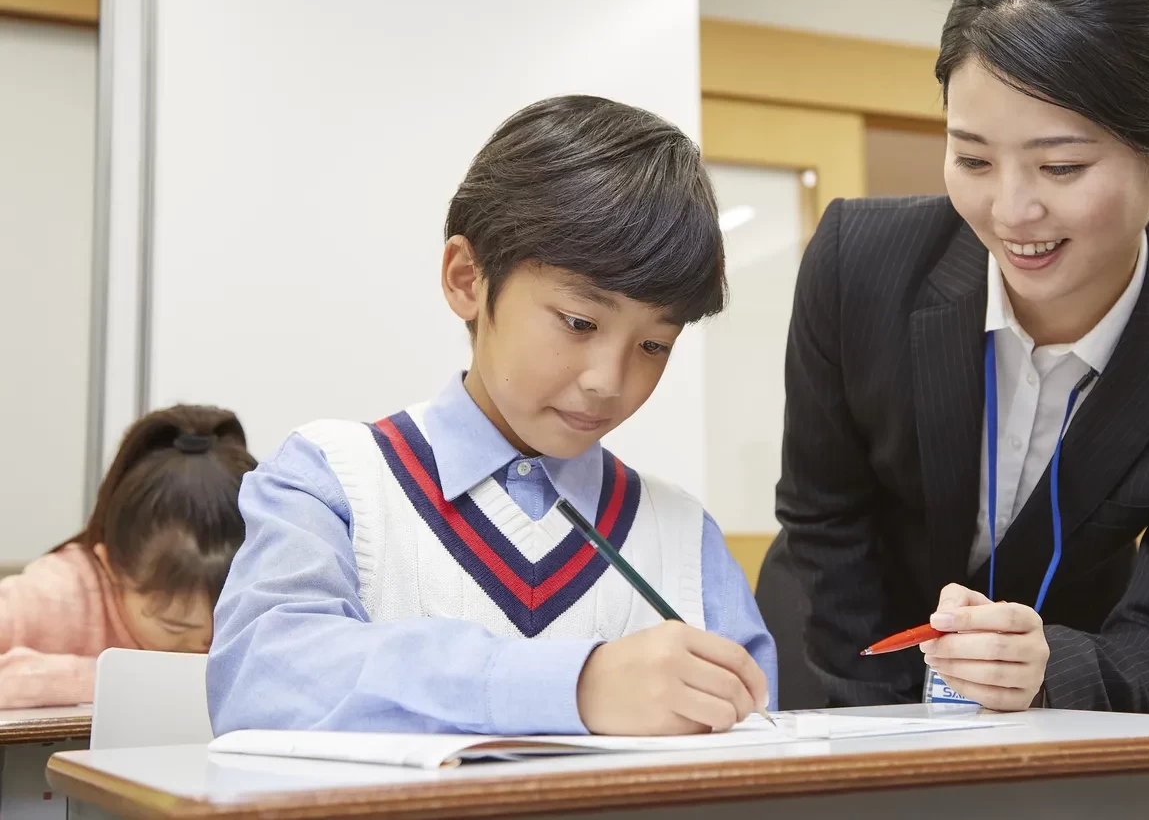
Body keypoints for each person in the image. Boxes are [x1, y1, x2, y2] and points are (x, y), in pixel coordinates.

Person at [760, 0, 1149, 714]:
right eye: (974, 159)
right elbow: (824, 521)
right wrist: (885, 728)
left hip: (1049, 694)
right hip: (834, 659)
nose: (1012, 210)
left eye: (1061, 166)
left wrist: (1048, 670)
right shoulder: (859, 260)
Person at [209, 95, 775, 736]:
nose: (608, 381)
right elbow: (263, 680)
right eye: (579, 322)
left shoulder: (680, 534)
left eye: (654, 346)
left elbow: (760, 738)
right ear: (466, 278)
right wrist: (575, 688)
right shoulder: (333, 480)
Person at [0, 406, 252, 708]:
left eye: (226, 620)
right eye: (175, 625)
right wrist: (103, 680)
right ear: (111, 568)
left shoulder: (278, 591)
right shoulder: (58, 593)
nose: (206, 645)